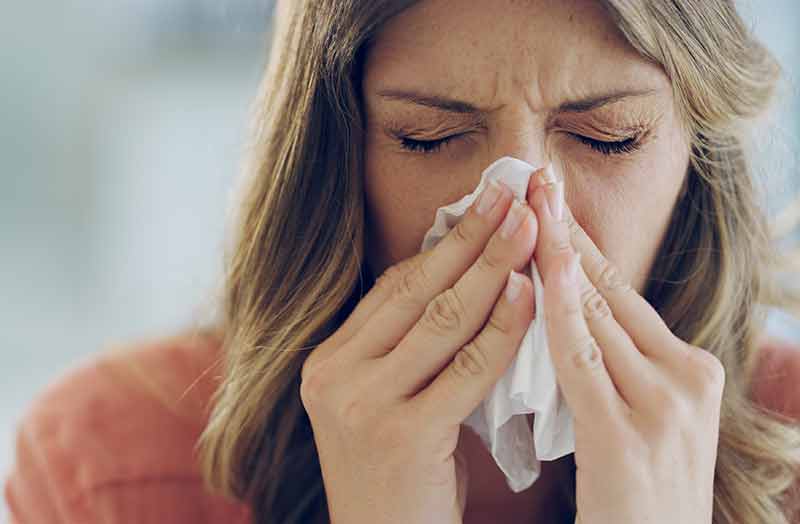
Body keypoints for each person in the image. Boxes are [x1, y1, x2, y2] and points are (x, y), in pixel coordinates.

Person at [5, 1, 800, 523]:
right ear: (333, 160)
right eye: (428, 138)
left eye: (609, 138)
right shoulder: (112, 467)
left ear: (697, 157)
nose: (526, 221)